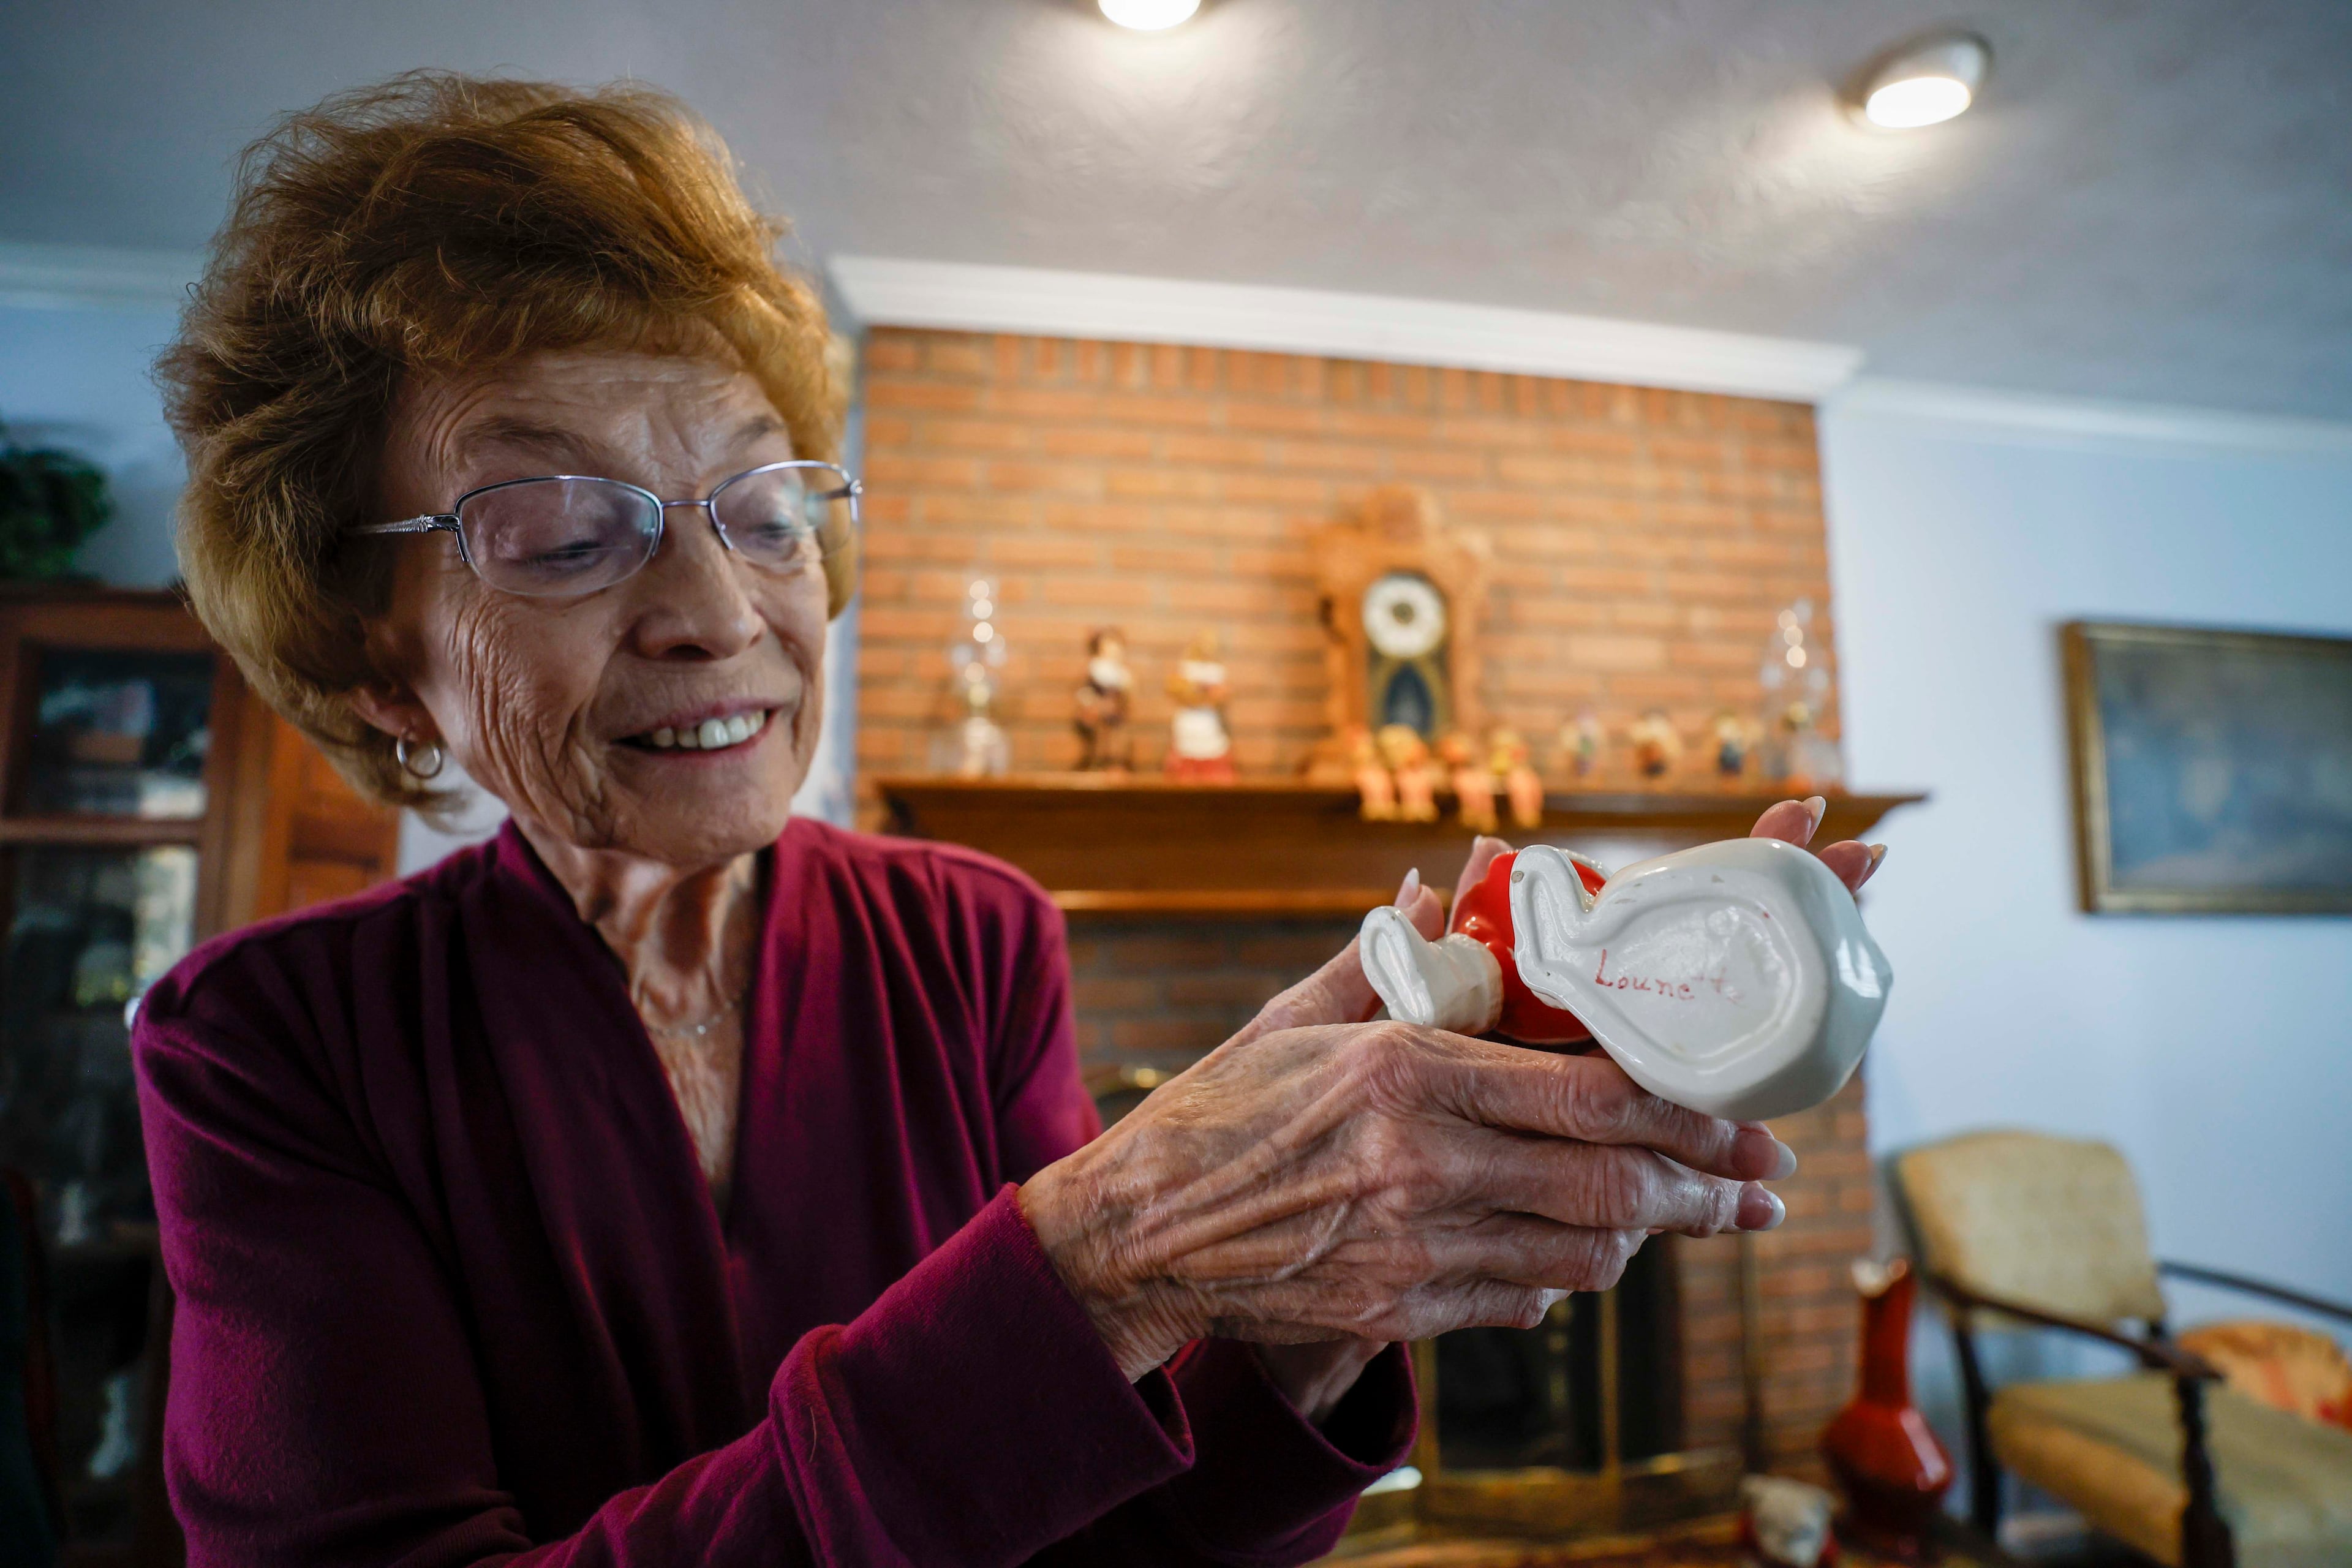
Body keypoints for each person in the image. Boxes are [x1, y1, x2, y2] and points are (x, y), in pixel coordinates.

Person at [137, 73, 1887, 1567]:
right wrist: (1104, 1263)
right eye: (562, 532)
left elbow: (1123, 1537)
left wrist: (1308, 1309)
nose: (722, 613)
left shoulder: (969, 934)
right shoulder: (265, 1044)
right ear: (373, 659)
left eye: (764, 509)